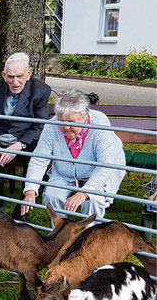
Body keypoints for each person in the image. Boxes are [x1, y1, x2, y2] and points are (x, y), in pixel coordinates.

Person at [21, 89, 126, 221]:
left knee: (93, 201)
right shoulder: (51, 126)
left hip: (99, 173)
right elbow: (39, 160)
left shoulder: (100, 125)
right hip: (65, 172)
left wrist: (84, 192)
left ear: (85, 115)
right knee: (53, 196)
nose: (65, 127)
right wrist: (31, 190)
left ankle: (90, 236)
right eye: (61, 121)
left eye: (71, 123)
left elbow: (106, 166)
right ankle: (60, 233)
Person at [0, 52, 51, 208]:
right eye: (10, 77)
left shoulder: (41, 90)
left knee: (36, 152)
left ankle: (23, 206)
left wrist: (19, 146)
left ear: (29, 73)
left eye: (20, 76)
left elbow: (40, 126)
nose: (15, 82)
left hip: (24, 140)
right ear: (3, 75)